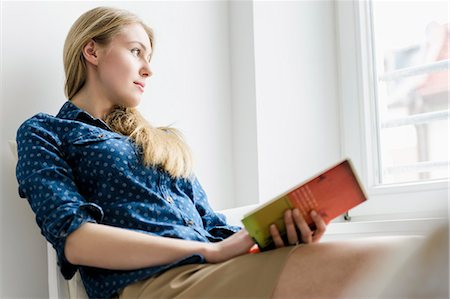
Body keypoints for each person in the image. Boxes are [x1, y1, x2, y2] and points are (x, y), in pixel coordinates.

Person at [15, 6, 419, 299]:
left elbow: (214, 227)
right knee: (396, 263)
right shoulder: (47, 132)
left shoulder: (163, 140)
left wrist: (278, 237)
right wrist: (208, 251)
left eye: (149, 58)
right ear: (93, 51)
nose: (148, 69)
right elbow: (76, 242)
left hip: (218, 269)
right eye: (136, 51)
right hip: (151, 285)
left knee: (403, 259)